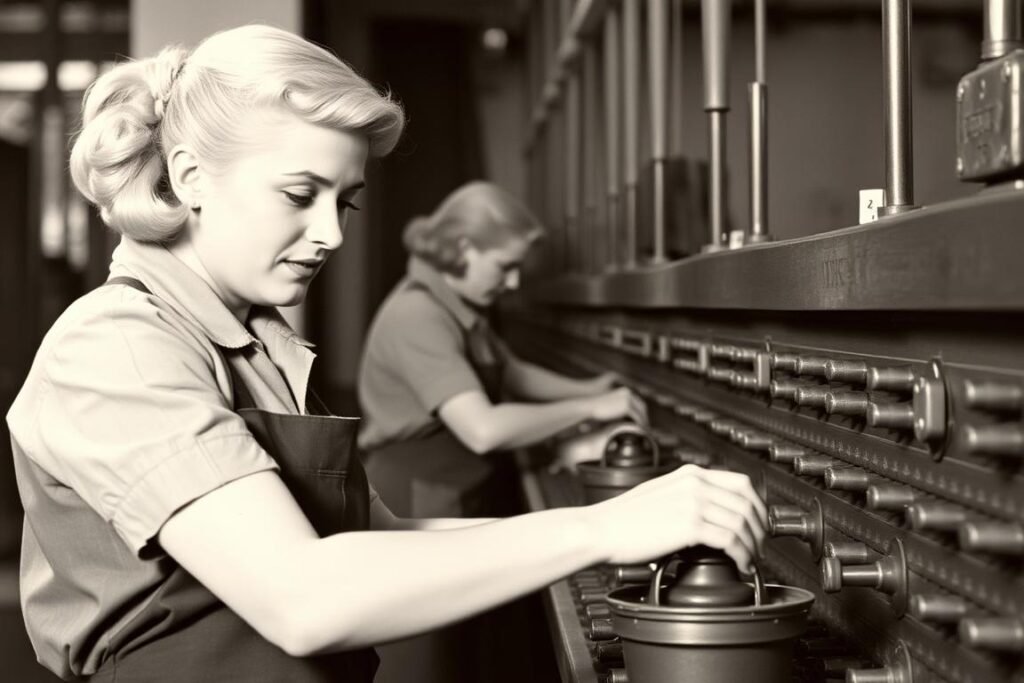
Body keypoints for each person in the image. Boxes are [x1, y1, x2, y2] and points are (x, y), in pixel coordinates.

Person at [6, 24, 766, 683]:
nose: (333, 233)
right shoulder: (116, 347)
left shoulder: (253, 345)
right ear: (190, 178)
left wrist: (626, 520)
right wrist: (600, 531)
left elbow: (380, 540)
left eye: (344, 200)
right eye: (299, 193)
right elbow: (305, 598)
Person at [358, 181, 645, 519]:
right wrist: (590, 408)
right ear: (464, 248)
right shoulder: (417, 315)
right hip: (416, 498)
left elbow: (513, 373)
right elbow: (483, 430)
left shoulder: (458, 305)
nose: (514, 283)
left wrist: (592, 387)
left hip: (455, 484)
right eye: (505, 266)